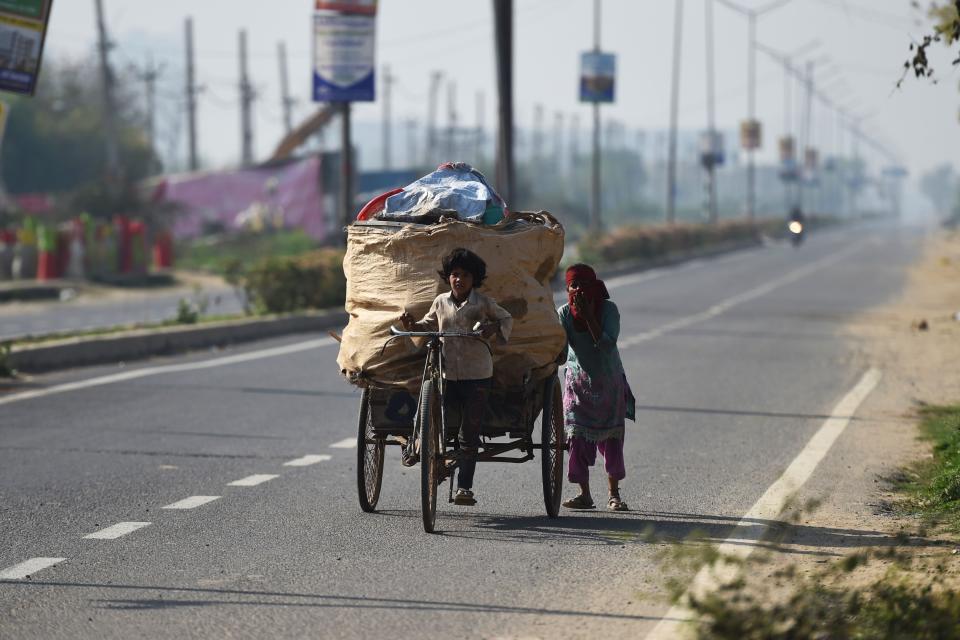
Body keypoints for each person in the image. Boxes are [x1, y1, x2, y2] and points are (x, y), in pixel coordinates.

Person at [400, 247, 513, 506]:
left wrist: (492, 328)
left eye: (464, 275)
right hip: (446, 374)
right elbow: (428, 325)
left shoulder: (483, 302)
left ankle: (464, 487)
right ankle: (418, 446)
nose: (458, 279)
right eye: (454, 274)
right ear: (448, 277)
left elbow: (506, 319)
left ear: (474, 279)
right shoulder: (440, 302)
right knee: (431, 415)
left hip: (478, 375)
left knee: (469, 433)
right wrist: (411, 326)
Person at [558, 264, 636, 511]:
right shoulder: (563, 313)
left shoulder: (609, 310)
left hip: (608, 383)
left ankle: (614, 494)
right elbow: (559, 349)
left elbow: (606, 344)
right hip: (577, 384)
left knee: (612, 440)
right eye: (573, 286)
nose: (578, 290)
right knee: (577, 440)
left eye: (583, 285)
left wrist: (589, 317)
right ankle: (584, 494)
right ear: (567, 289)